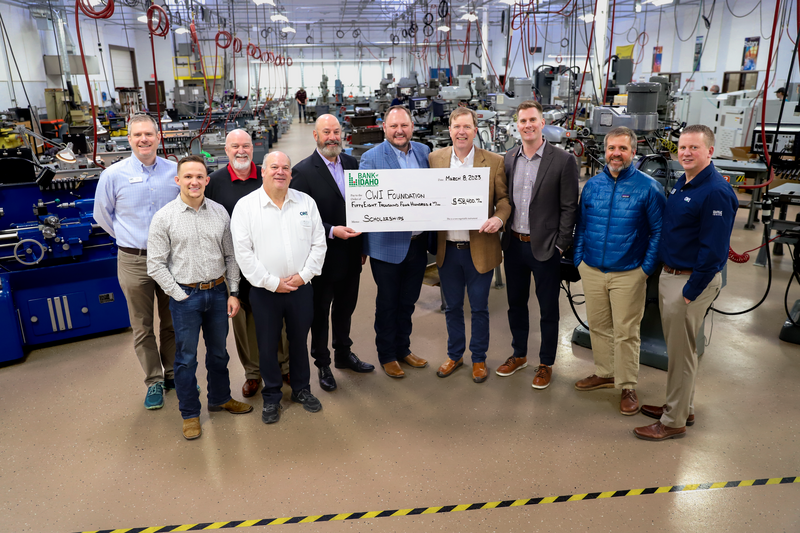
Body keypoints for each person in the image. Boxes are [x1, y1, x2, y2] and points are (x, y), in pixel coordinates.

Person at [634, 125, 738, 441]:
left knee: (680, 354)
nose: (687, 153)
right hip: (673, 275)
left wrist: (691, 291)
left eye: (695, 147)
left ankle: (673, 421)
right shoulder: (685, 182)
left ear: (710, 151)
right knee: (683, 351)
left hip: (689, 281)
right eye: (682, 148)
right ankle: (681, 406)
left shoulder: (716, 191)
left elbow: (714, 250)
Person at [147, 155, 253, 440]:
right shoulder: (164, 217)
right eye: (188, 177)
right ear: (177, 180)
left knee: (219, 353)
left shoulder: (219, 212)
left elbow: (231, 255)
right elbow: (155, 264)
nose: (194, 182)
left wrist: (233, 292)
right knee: (186, 359)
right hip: (185, 297)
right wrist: (178, 294)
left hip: (219, 294)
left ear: (207, 180)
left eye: (199, 177)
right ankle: (190, 414)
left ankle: (220, 398)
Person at [572, 127, 666, 415]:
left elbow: (659, 232)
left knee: (626, 331)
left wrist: (645, 269)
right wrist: (579, 258)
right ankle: (605, 372)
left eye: (622, 149)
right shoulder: (592, 185)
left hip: (629, 272)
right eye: (611, 148)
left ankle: (627, 384)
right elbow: (582, 225)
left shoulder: (648, 187)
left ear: (633, 152)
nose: (616, 153)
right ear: (605, 150)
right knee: (598, 326)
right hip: (592, 268)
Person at [230, 151, 327, 425]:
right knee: (267, 344)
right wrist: (272, 283)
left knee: (298, 341)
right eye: (274, 167)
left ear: (291, 174)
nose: (280, 172)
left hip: (300, 288)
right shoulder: (246, 207)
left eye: (285, 167)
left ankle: (301, 389)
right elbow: (243, 253)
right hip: (264, 291)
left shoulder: (305, 202)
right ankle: (271, 396)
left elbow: (319, 244)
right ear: (262, 171)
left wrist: (303, 275)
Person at [93, 114, 179, 410]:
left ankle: (173, 374)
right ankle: (154, 380)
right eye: (137, 135)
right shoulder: (113, 175)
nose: (144, 139)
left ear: (159, 137)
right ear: (129, 139)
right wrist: (131, 239)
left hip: (171, 260)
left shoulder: (175, 172)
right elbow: (102, 216)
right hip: (133, 260)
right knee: (142, 326)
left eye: (149, 134)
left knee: (172, 322)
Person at [497, 100, 579, 389]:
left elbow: (570, 207)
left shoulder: (563, 160)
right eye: (522, 121)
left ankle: (546, 363)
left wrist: (561, 245)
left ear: (542, 123)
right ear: (516, 126)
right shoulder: (507, 159)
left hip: (546, 247)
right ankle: (519, 355)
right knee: (515, 305)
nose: (528, 125)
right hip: (514, 245)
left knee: (548, 309)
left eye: (533, 120)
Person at [290, 114, 374, 392]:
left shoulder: (351, 163)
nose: (332, 137)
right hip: (322, 258)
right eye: (326, 132)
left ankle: (342, 353)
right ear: (315, 135)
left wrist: (363, 245)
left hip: (351, 254)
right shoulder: (303, 171)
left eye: (336, 131)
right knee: (320, 311)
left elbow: (362, 207)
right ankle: (322, 362)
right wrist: (331, 230)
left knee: (346, 308)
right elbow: (301, 218)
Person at [205, 129, 290, 399]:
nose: (241, 151)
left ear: (254, 149)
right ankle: (253, 374)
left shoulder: (267, 175)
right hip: (236, 268)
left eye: (246, 146)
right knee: (244, 323)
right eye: (235, 147)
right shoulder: (215, 183)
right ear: (226, 150)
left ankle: (284, 365)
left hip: (272, 262)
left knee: (280, 318)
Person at [430, 107, 511, 383]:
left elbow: (504, 201)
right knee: (452, 307)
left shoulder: (494, 162)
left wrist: (499, 219)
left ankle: (479, 358)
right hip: (448, 249)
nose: (461, 132)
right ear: (449, 130)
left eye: (467, 127)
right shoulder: (435, 159)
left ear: (475, 130)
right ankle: (455, 355)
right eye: (456, 127)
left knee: (479, 308)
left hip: (479, 248)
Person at [361, 105, 431, 378]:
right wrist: (362, 247)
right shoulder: (371, 158)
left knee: (409, 301)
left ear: (412, 127)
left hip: (417, 243)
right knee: (388, 302)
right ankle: (387, 354)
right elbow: (364, 206)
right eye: (394, 126)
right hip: (386, 246)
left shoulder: (424, 153)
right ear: (385, 128)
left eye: (404, 125)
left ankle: (404, 348)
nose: (399, 131)